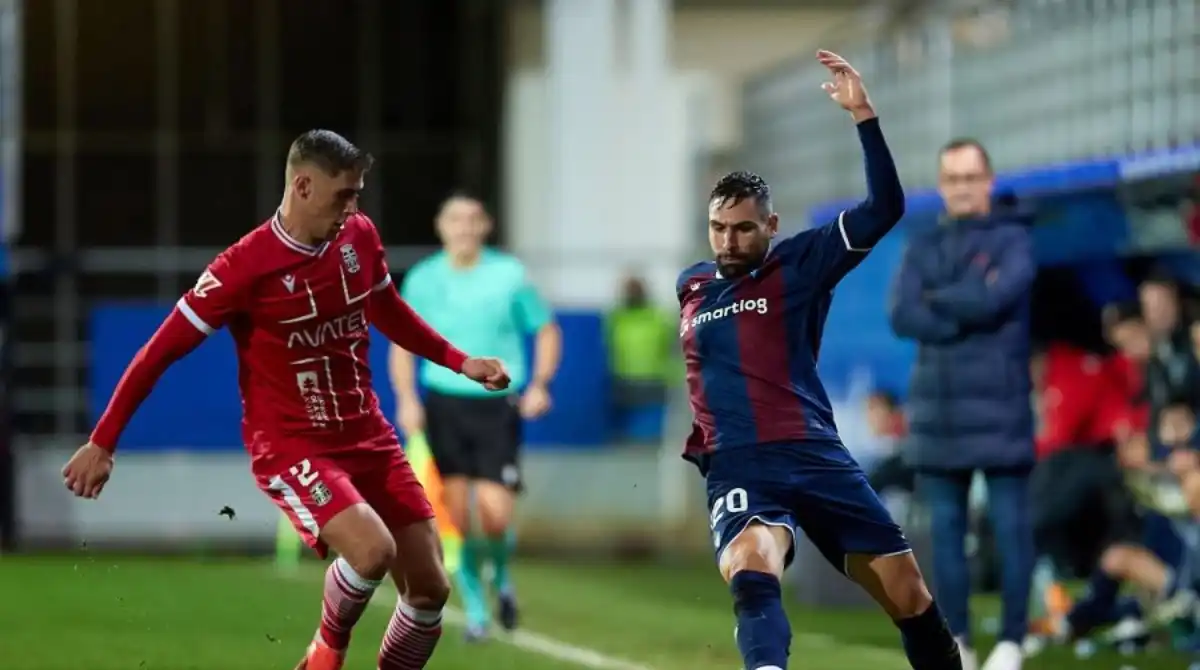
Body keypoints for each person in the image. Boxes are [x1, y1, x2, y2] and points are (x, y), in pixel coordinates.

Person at [60, 130, 511, 670]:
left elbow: (388, 311)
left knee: (430, 590)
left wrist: (461, 361)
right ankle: (326, 651)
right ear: (302, 186)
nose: (352, 208)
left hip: (367, 433)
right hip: (292, 444)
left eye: (357, 194)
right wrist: (103, 442)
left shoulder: (359, 237)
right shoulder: (241, 268)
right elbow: (157, 353)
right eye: (342, 195)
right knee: (373, 550)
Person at [677, 50, 961, 670]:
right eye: (719, 228)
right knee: (753, 567)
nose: (729, 241)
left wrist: (864, 115)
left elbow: (885, 207)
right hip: (739, 459)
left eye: (744, 229)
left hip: (814, 451)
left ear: (770, 225)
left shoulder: (803, 262)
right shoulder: (691, 286)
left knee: (909, 594)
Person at [889, 137, 1036, 670]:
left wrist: (937, 298)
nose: (962, 187)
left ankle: (1013, 642)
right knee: (946, 537)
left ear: (989, 182)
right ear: (941, 185)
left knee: (1011, 528)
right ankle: (962, 644)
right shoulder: (923, 244)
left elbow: (997, 299)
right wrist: (966, 300)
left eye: (970, 177)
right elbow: (902, 314)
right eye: (952, 179)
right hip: (939, 411)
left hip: (1000, 408)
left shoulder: (1016, 240)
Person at [389, 193, 560, 641]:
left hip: (496, 403)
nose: (464, 227)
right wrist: (407, 398)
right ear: (440, 226)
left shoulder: (509, 275)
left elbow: (544, 328)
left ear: (486, 226)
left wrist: (540, 383)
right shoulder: (423, 279)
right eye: (455, 219)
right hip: (444, 404)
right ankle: (479, 615)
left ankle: (501, 578)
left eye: (472, 219)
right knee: (458, 517)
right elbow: (404, 343)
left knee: (496, 513)